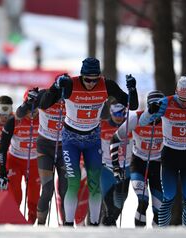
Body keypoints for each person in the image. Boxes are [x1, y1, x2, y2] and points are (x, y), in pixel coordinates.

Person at [39, 57, 138, 226]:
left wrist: (133, 89)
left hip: (93, 139)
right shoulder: (70, 84)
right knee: (74, 182)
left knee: (94, 183)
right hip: (71, 140)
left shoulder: (107, 85)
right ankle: (68, 224)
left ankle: (93, 224)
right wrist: (55, 86)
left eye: (95, 79)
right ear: (81, 75)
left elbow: (133, 105)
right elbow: (43, 104)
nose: (91, 83)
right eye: (87, 79)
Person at [138, 76, 186, 226]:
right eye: (181, 100)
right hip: (170, 155)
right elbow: (142, 122)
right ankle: (162, 232)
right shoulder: (166, 102)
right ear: (176, 92)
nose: (185, 104)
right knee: (169, 195)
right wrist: (149, 111)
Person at [112, 91, 165, 227]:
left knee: (159, 209)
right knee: (143, 201)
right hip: (138, 163)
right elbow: (115, 138)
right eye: (153, 108)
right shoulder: (136, 118)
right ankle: (139, 236)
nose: (156, 113)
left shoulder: (167, 120)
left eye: (160, 108)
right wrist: (116, 165)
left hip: (157, 165)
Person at [16, 87, 66, 225]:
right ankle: (41, 224)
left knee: (65, 190)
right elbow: (19, 114)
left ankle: (67, 225)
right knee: (48, 189)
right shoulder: (45, 97)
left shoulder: (70, 97)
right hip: (45, 148)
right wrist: (28, 102)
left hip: (64, 148)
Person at [0, 90, 41, 224]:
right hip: (15, 160)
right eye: (29, 110)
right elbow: (3, 146)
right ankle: (14, 220)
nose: (32, 114)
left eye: (35, 111)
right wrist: (2, 169)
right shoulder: (13, 120)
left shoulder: (44, 118)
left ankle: (31, 222)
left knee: (34, 196)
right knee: (15, 194)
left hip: (35, 161)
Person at [99, 102, 132, 226]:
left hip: (125, 167)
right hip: (107, 168)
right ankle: (108, 223)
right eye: (116, 113)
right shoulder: (102, 125)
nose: (119, 116)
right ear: (111, 113)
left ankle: (109, 222)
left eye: (122, 113)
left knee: (120, 201)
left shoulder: (130, 125)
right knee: (107, 201)